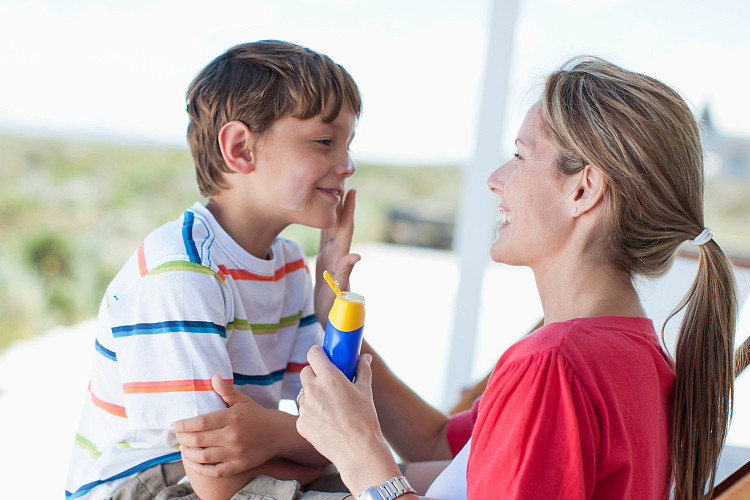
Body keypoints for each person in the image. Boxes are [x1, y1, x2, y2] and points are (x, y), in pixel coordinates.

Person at [173, 57, 739, 500]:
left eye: (520, 156)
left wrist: (360, 454)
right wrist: (333, 317)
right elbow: (441, 445)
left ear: (583, 190)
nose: (497, 179)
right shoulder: (634, 355)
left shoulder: (557, 365)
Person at [65, 40, 362, 500]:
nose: (347, 165)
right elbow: (215, 478)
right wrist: (300, 443)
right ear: (241, 148)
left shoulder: (286, 265)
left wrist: (330, 314)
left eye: (348, 144)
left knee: (402, 482)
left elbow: (334, 424)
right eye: (325, 142)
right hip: (147, 485)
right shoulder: (184, 273)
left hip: (231, 473)